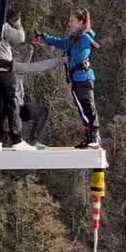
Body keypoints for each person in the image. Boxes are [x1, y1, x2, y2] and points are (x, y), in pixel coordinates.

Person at [34, 8, 102, 148]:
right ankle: (90, 138)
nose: (69, 23)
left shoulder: (84, 38)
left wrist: (69, 57)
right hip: (77, 80)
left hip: (84, 78)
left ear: (81, 23)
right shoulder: (73, 39)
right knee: (82, 109)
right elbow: (60, 42)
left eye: (72, 21)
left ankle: (94, 136)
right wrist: (44, 37)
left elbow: (85, 48)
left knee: (88, 107)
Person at [0, 7, 31, 150]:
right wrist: (17, 23)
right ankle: (17, 140)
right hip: (5, 69)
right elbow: (20, 37)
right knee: (12, 104)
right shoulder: (2, 25)